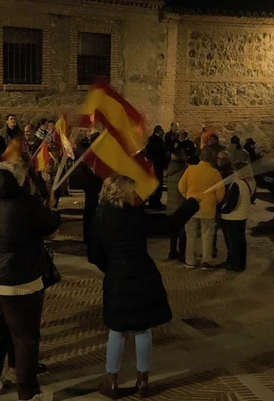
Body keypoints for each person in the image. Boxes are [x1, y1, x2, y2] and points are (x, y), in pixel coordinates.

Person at [0, 161, 60, 401]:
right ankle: (28, 392)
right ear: (18, 180)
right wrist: (51, 209)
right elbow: (48, 226)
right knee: (25, 337)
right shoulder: (25, 204)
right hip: (16, 281)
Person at [89, 175, 172, 399]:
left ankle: (112, 381)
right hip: (142, 275)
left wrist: (113, 267)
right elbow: (167, 225)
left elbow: (94, 253)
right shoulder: (134, 216)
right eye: (133, 191)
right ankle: (143, 381)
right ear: (123, 193)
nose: (137, 195)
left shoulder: (99, 216)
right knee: (143, 329)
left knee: (117, 331)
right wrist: (192, 204)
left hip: (117, 277)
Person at [178, 147, 225, 270]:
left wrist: (189, 198)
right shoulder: (215, 173)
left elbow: (181, 186)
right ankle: (206, 261)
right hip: (208, 208)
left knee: (191, 235)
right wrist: (215, 201)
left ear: (200, 157)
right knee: (207, 236)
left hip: (191, 208)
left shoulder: (190, 169)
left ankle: (190, 261)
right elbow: (220, 193)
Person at [220, 162, 255, 271]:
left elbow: (232, 202)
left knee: (233, 241)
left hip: (233, 217)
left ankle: (234, 264)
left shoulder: (237, 183)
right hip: (242, 215)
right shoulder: (250, 182)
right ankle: (241, 264)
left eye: (234, 170)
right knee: (240, 240)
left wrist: (223, 211)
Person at [166, 133, 189, 260]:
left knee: (173, 230)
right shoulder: (184, 170)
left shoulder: (169, 170)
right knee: (182, 229)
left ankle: (172, 251)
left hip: (171, 203)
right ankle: (182, 253)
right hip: (181, 203)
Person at [145, 126, 167, 209]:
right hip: (157, 165)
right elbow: (160, 153)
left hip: (152, 165)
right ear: (159, 131)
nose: (163, 131)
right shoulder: (158, 141)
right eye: (162, 130)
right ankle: (156, 201)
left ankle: (153, 200)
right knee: (158, 184)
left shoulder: (150, 139)